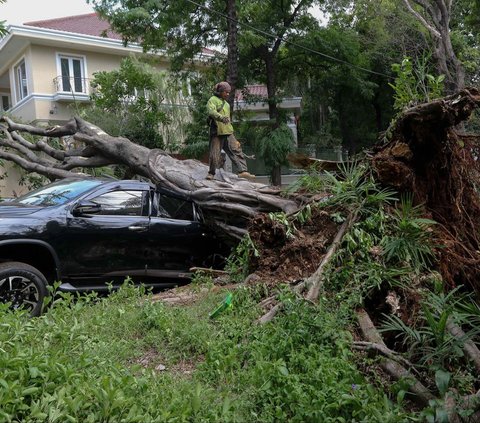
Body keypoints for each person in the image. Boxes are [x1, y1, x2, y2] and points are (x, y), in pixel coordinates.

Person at [206, 81, 254, 180]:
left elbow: (228, 120)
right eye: (226, 92)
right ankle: (211, 173)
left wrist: (231, 131)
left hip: (228, 132)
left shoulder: (227, 105)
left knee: (236, 150)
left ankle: (243, 171)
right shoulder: (212, 100)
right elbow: (211, 111)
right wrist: (221, 117)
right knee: (214, 153)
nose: (228, 94)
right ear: (220, 91)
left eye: (229, 92)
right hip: (217, 131)